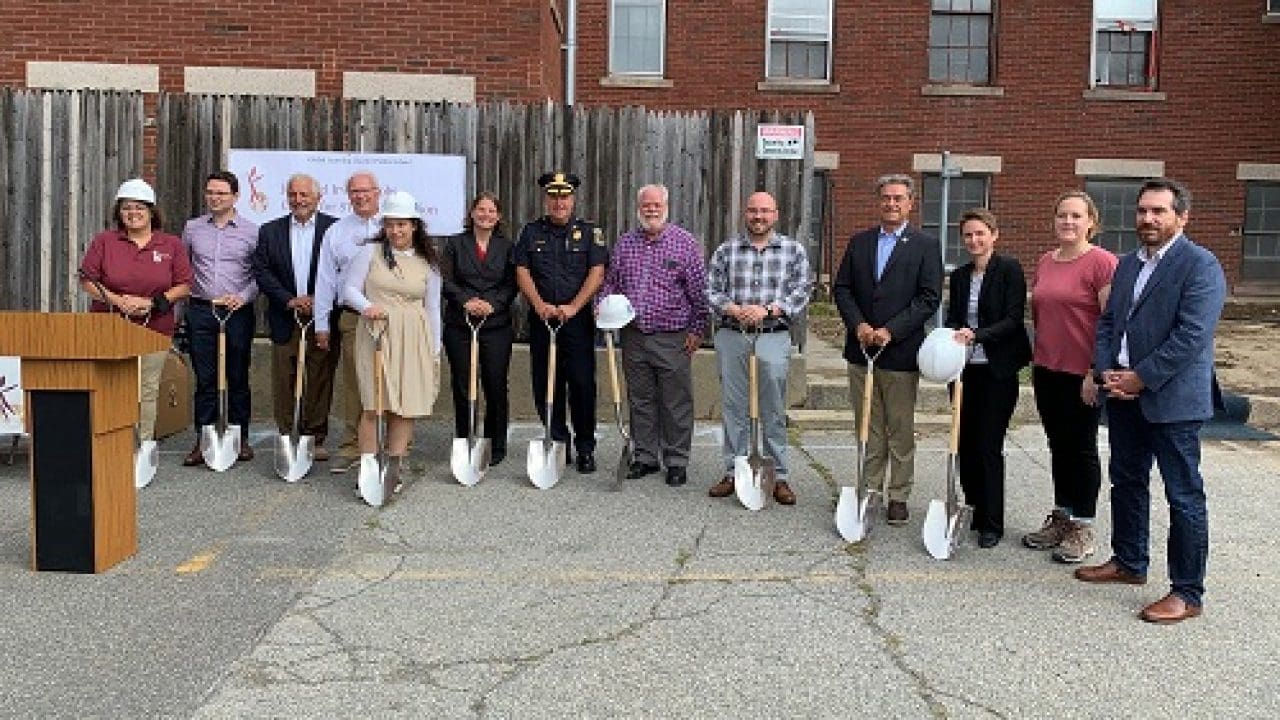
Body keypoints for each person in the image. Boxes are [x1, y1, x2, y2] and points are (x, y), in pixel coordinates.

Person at [1076, 179, 1226, 625]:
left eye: (1159, 211)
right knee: (1126, 483)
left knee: (1183, 497)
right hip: (1123, 396)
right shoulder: (1126, 265)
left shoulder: (1200, 265)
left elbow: (1192, 336)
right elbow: (1108, 324)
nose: (1148, 218)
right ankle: (1129, 562)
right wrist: (1107, 372)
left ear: (1182, 216)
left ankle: (1187, 592)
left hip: (1172, 401)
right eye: (1143, 210)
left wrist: (1142, 377)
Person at [832, 174, 942, 525]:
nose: (891, 204)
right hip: (861, 350)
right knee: (868, 425)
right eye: (886, 198)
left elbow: (929, 297)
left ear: (910, 203)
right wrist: (860, 326)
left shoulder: (924, 245)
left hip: (899, 353)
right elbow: (843, 289)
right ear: (878, 202)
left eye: (899, 198)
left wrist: (891, 330)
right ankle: (870, 488)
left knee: (899, 427)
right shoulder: (860, 242)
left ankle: (899, 494)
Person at [1022, 191, 1118, 563]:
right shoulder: (1046, 261)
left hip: (1084, 373)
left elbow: (1110, 322)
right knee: (1058, 445)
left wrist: (1097, 370)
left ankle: (1082, 525)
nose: (1068, 222)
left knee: (1081, 447)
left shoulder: (1102, 263)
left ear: (1091, 222)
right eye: (1062, 215)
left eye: (1077, 216)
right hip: (1047, 369)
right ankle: (1062, 516)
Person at [597, 184, 707, 487]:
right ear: (638, 208)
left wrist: (698, 329)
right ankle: (644, 456)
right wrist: (601, 306)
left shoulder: (684, 244)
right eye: (646, 205)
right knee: (641, 399)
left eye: (656, 204)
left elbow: (699, 292)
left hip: (673, 336)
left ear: (666, 206)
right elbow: (610, 283)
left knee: (676, 401)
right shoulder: (625, 244)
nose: (651, 209)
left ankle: (676, 460)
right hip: (634, 336)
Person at [706, 191, 812, 504]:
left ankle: (779, 475)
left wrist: (768, 309)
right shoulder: (727, 250)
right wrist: (733, 308)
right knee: (734, 406)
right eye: (753, 210)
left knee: (773, 408)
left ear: (775, 214)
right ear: (745, 213)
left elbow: (802, 290)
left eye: (765, 211)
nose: (758, 216)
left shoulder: (792, 250)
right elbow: (710, 289)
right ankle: (733, 470)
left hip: (773, 333)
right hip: (732, 333)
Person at [79, 178, 192, 444]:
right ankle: (109, 443)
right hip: (110, 326)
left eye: (140, 207)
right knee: (110, 385)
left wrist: (152, 303)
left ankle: (141, 444)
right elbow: (87, 281)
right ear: (118, 212)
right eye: (127, 208)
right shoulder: (104, 242)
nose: (133, 213)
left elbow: (184, 285)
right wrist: (118, 301)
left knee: (147, 388)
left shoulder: (171, 245)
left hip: (155, 327)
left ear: (152, 211)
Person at [944, 209, 1032, 548]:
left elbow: (1012, 319)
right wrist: (951, 338)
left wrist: (977, 335)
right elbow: (953, 318)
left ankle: (993, 522)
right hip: (964, 371)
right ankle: (975, 511)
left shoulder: (1008, 269)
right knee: (964, 444)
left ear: (994, 234)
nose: (974, 240)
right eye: (968, 235)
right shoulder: (961, 275)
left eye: (980, 233)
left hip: (997, 370)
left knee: (988, 446)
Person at [341, 191, 442, 481]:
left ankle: (394, 468)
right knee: (375, 403)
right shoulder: (369, 252)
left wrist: (434, 349)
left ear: (414, 226)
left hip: (413, 336)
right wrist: (366, 306)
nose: (395, 231)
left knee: (405, 405)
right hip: (376, 333)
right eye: (390, 224)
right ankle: (370, 469)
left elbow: (433, 307)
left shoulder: (428, 262)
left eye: (402, 224)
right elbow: (349, 290)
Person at [512, 171, 608, 473]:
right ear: (546, 200)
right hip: (543, 320)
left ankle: (585, 448)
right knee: (545, 384)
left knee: (582, 386)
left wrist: (575, 306)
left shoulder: (590, 232)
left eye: (564, 197)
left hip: (576, 323)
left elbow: (597, 272)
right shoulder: (530, 232)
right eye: (553, 197)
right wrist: (539, 305)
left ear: (573, 199)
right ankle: (557, 442)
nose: (559, 202)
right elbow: (522, 271)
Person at [251, 173, 339, 461]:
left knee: (319, 376)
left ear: (317, 197)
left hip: (321, 316)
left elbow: (342, 270)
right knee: (284, 378)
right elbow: (262, 271)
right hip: (284, 315)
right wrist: (289, 300)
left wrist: (319, 299)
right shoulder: (270, 231)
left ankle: (315, 435)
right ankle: (288, 433)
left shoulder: (333, 229)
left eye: (304, 195)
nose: (298, 200)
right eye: (293, 195)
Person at [181, 170, 259, 466]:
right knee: (205, 378)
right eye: (210, 192)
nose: (215, 198)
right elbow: (184, 271)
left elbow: (258, 274)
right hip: (202, 309)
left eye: (221, 193)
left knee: (237, 376)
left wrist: (243, 296)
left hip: (236, 312)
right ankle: (204, 439)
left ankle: (240, 439)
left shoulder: (252, 231)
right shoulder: (193, 229)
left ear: (236, 197)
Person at [440, 192, 516, 466]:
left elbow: (512, 283)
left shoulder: (507, 247)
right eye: (481, 210)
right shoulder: (455, 244)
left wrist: (493, 304)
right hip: (460, 325)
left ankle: (496, 444)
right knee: (463, 384)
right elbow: (445, 280)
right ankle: (465, 438)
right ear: (471, 214)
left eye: (491, 211)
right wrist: (465, 301)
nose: (486, 215)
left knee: (495, 384)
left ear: (498, 216)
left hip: (496, 325)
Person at [314, 171, 383, 473]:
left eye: (365, 190)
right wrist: (321, 324)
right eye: (354, 191)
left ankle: (393, 445)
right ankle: (353, 444)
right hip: (353, 319)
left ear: (378, 192)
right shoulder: (337, 232)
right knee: (356, 383)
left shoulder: (395, 227)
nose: (360, 196)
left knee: (391, 381)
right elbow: (326, 279)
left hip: (391, 317)